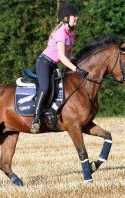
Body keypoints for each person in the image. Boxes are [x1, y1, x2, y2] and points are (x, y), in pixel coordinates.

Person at [30, 3, 89, 133]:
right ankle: (35, 119)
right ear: (67, 18)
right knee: (45, 87)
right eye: (75, 16)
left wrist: (77, 66)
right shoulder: (61, 33)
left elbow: (68, 55)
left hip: (53, 64)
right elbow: (62, 57)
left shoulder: (70, 34)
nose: (77, 18)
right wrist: (76, 69)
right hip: (44, 63)